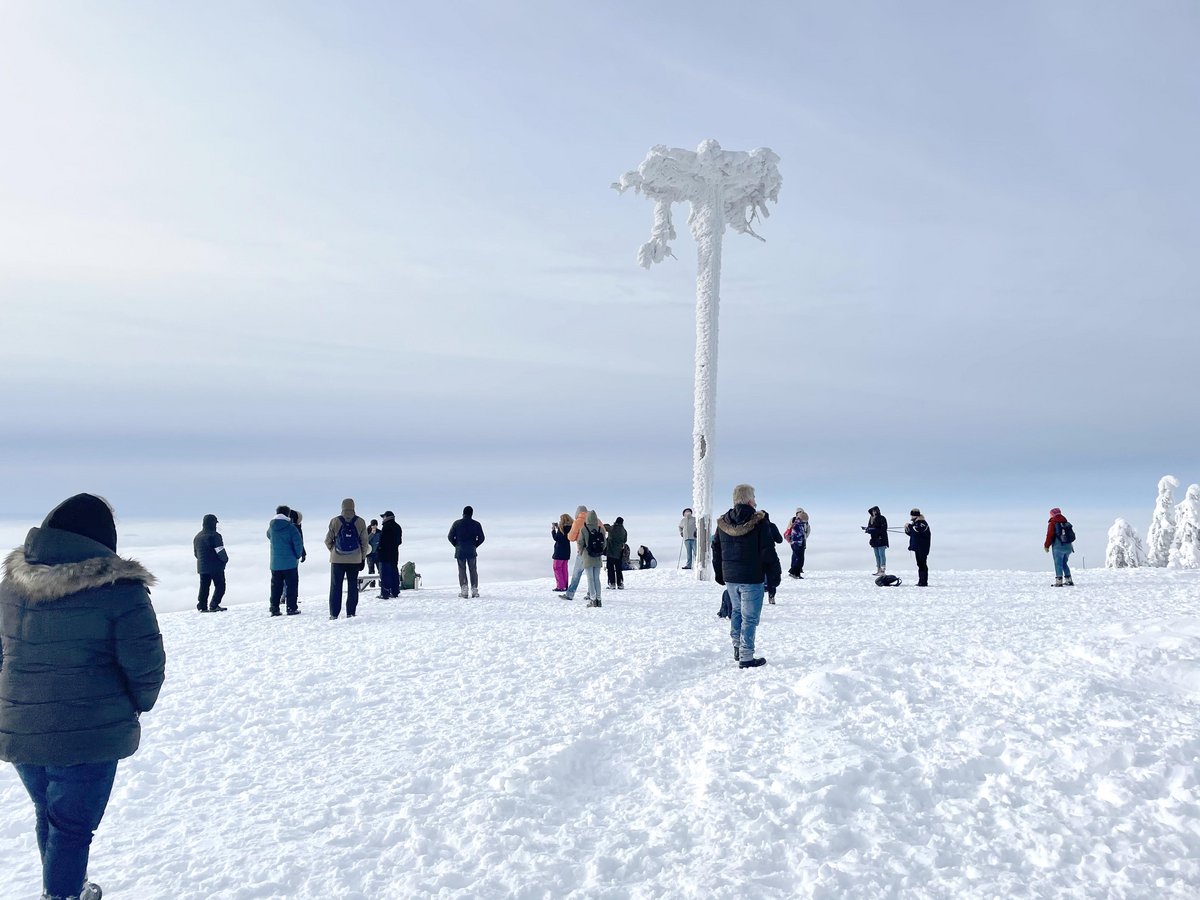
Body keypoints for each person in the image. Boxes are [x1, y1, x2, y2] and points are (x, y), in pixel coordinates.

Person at [1, 494, 165, 900]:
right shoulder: (120, 592)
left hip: (20, 729)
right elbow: (145, 666)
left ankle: (65, 886)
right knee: (72, 828)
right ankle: (62, 895)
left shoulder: (10, 586)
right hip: (87, 734)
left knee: (52, 815)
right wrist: (137, 704)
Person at [712, 484, 775, 668]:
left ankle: (737, 648)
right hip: (752, 577)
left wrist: (720, 573)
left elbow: (716, 548)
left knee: (737, 612)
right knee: (750, 617)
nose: (755, 500)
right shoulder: (759, 521)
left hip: (731, 577)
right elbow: (767, 551)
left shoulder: (723, 522)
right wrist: (773, 577)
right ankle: (747, 657)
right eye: (754, 497)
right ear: (749, 500)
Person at [325, 498, 370, 618]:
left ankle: (334, 614)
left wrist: (334, 551)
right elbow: (364, 542)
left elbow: (328, 541)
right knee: (352, 585)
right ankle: (351, 612)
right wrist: (362, 557)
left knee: (335, 586)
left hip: (337, 560)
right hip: (355, 560)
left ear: (342, 507)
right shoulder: (360, 522)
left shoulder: (335, 521)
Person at [268, 505, 306, 616]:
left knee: (275, 587)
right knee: (292, 586)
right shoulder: (291, 528)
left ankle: (274, 608)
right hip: (290, 563)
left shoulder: (271, 527)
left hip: (275, 563)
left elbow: (268, 535)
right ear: (287, 514)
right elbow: (298, 544)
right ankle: (291, 608)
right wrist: (297, 555)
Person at [560, 506, 603, 602]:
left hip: (583, 552)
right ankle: (591, 594)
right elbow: (603, 534)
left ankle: (570, 594)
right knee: (593, 575)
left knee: (577, 573)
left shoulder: (577, 522)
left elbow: (571, 537)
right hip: (596, 552)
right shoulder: (597, 520)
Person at [193, 513, 229, 612]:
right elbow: (220, 551)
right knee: (220, 586)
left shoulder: (197, 537)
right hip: (216, 566)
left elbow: (196, 553)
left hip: (202, 567)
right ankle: (214, 605)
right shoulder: (215, 536)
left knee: (204, 587)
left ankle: (202, 606)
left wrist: (202, 562)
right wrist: (225, 560)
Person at [448, 506, 485, 598]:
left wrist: (456, 545)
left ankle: (464, 589)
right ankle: (474, 589)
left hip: (460, 551)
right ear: (472, 514)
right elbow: (482, 538)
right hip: (472, 550)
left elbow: (450, 536)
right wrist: (475, 545)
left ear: (463, 513)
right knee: (473, 570)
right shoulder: (476, 524)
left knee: (462, 570)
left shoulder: (456, 523)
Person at [574, 509, 605, 607]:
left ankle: (593, 599)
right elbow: (604, 543)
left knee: (590, 579)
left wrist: (581, 551)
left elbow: (580, 542)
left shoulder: (584, 529)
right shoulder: (600, 529)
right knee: (597, 579)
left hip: (587, 557)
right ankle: (599, 600)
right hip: (597, 557)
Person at [283, 509, 307, 611]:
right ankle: (289, 600)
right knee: (292, 580)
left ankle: (283, 596)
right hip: (293, 557)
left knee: (282, 578)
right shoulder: (296, 528)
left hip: (281, 557)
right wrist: (302, 554)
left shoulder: (284, 527)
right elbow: (300, 542)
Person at [1045, 507, 1075, 586]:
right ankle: (1069, 580)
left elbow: (1049, 535)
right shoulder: (1065, 522)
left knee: (1058, 563)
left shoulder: (1053, 523)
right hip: (1068, 546)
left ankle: (1059, 581)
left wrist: (1046, 546)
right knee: (1064, 563)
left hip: (1058, 547)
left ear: (1052, 515)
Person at [377, 511, 403, 599]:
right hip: (394, 554)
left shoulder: (386, 527)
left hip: (384, 555)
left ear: (387, 517)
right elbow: (399, 541)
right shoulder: (397, 527)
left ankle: (385, 593)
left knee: (384, 574)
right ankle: (395, 591)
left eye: (383, 517)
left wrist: (379, 550)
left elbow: (382, 542)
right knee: (394, 572)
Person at [905, 508, 932, 587]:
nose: (912, 516)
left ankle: (923, 582)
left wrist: (909, 526)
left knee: (922, 564)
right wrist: (907, 529)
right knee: (920, 564)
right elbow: (911, 533)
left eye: (913, 515)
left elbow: (917, 531)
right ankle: (921, 581)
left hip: (922, 547)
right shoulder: (916, 523)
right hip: (918, 547)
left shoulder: (922, 523)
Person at [784, 508, 810, 579]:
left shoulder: (798, 521)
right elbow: (807, 531)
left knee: (797, 556)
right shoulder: (799, 522)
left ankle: (796, 571)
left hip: (795, 541)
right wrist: (804, 537)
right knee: (799, 557)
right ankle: (794, 572)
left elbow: (789, 529)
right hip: (798, 542)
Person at [863, 506, 889, 576]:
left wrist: (873, 530)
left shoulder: (882, 518)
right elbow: (871, 527)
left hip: (881, 539)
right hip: (874, 539)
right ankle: (878, 570)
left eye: (875, 511)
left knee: (881, 555)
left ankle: (883, 571)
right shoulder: (871, 518)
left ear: (878, 511)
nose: (874, 512)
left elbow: (884, 529)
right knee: (877, 555)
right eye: (872, 511)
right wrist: (868, 529)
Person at [765, 516, 783, 604]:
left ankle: (757, 598)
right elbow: (779, 540)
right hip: (770, 553)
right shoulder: (771, 526)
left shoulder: (753, 525)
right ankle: (771, 596)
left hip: (756, 555)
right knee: (771, 574)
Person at [606, 516, 627, 590]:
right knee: (618, 569)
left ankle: (612, 583)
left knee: (610, 568)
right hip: (619, 553)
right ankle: (620, 583)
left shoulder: (612, 528)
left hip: (610, 551)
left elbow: (605, 528)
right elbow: (625, 540)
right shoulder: (624, 531)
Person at [551, 514, 572, 592]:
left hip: (559, 551)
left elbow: (557, 538)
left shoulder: (562, 528)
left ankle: (560, 586)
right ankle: (565, 585)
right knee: (564, 569)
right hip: (566, 550)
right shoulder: (571, 528)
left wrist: (553, 530)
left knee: (557, 568)